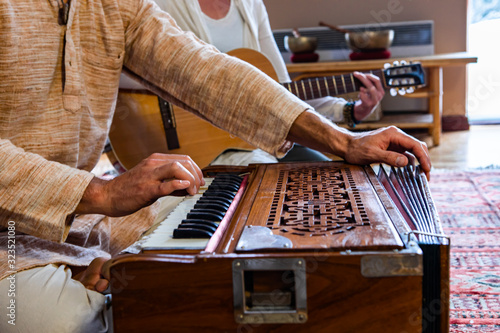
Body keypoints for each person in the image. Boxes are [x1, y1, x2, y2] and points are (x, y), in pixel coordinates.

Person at [0, 0, 430, 332]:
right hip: (11, 239)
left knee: (224, 220)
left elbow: (206, 71)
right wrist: (102, 193)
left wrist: (343, 139)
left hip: (84, 219)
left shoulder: (115, 5)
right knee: (73, 322)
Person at [120, 0, 385, 164]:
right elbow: (119, 66)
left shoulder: (252, 5)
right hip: (183, 144)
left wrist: (349, 110)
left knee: (329, 172)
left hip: (250, 138)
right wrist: (184, 88)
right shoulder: (159, 2)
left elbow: (283, 91)